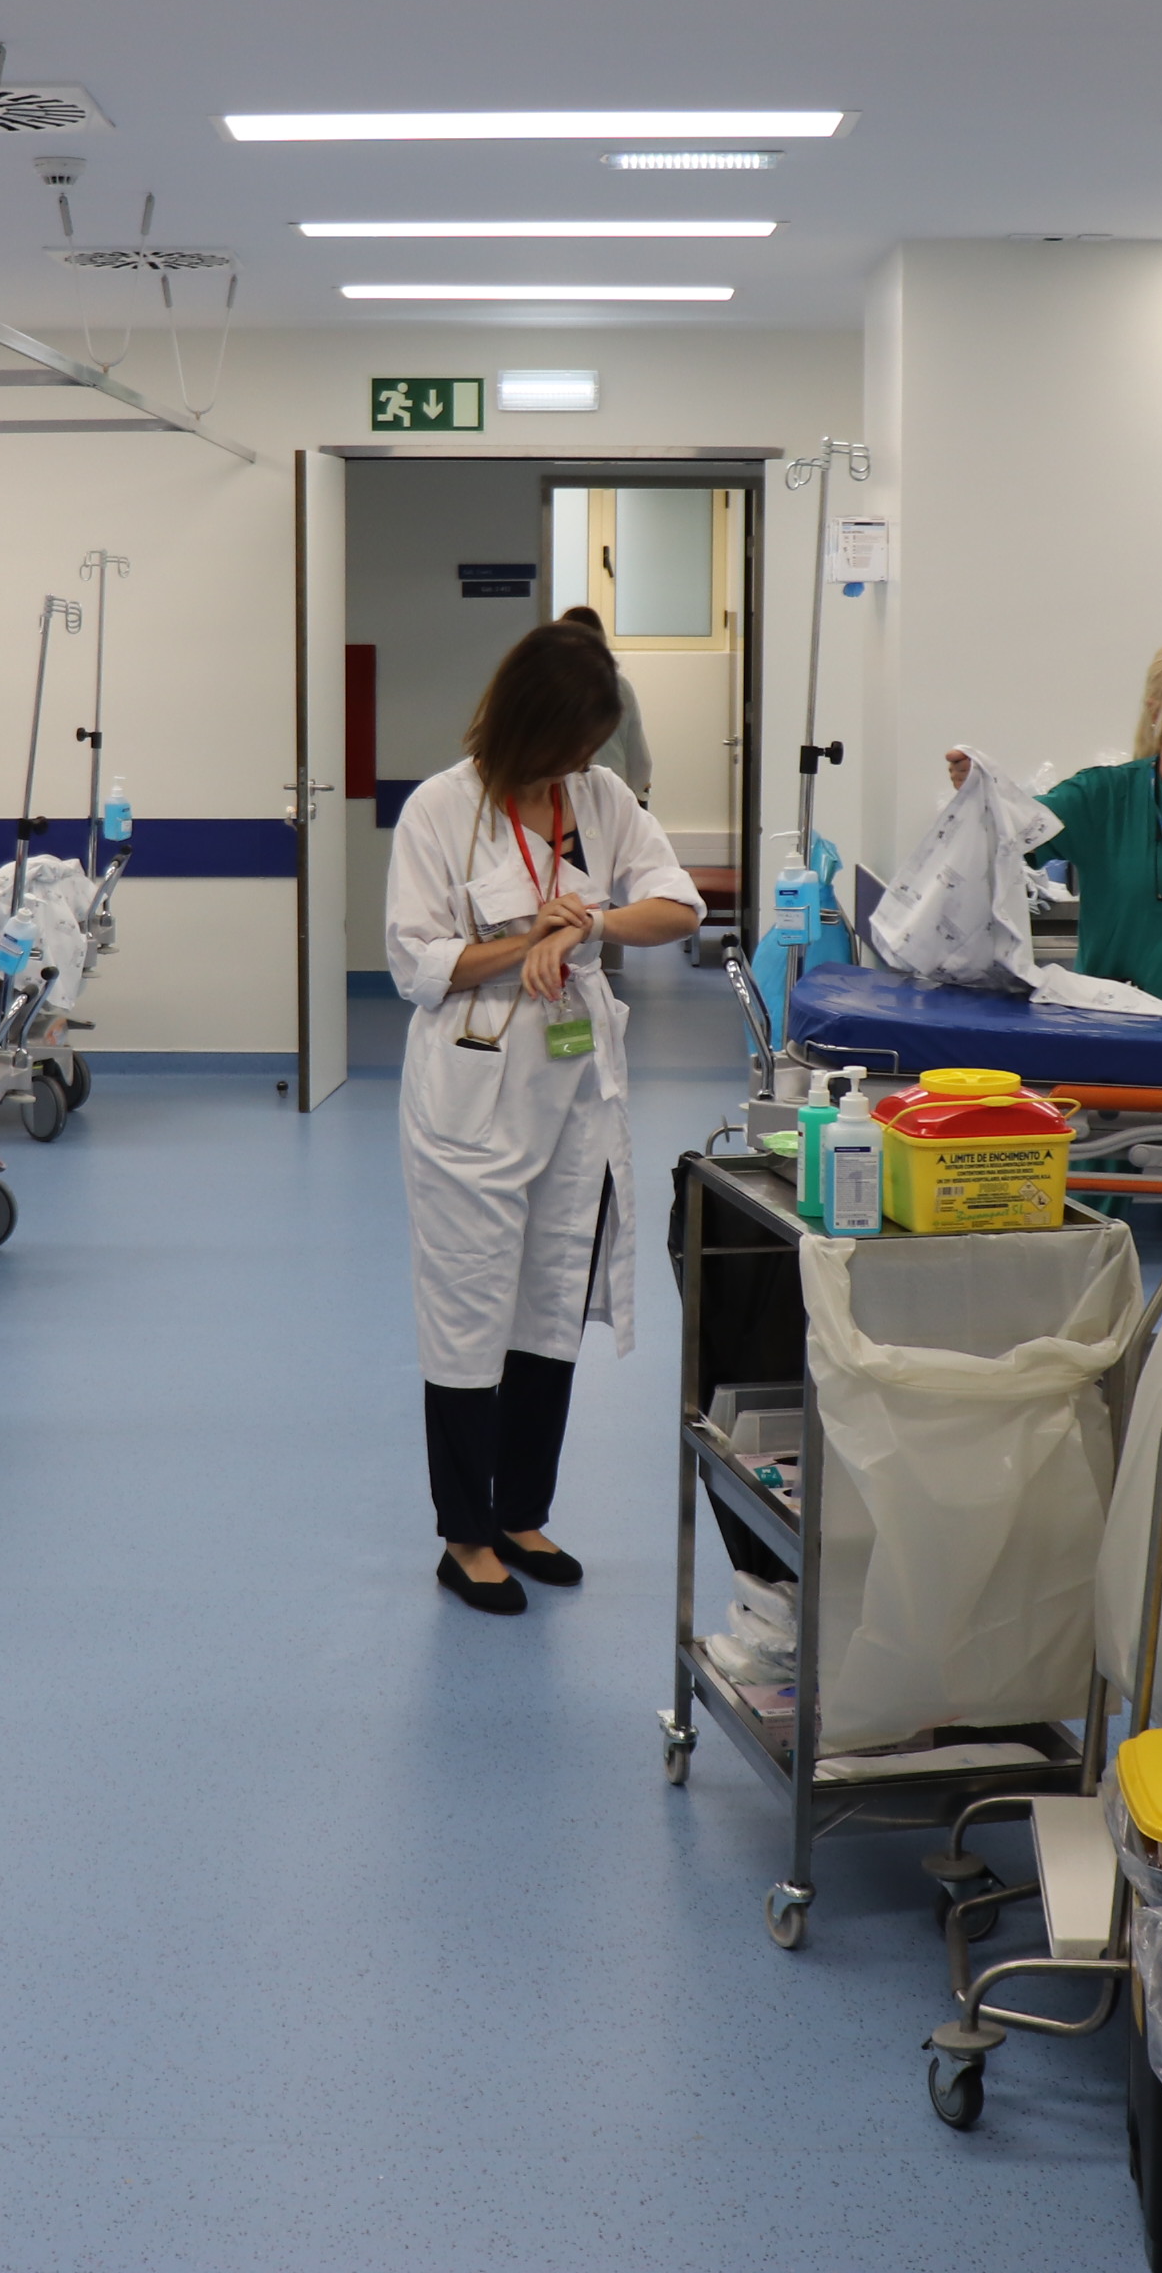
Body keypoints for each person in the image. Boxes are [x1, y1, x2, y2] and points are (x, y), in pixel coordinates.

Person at [389, 621, 705, 1613]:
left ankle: (523, 1514)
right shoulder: (441, 810)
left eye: (591, 746)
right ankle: (465, 1536)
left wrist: (589, 925)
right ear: (524, 723)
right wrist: (529, 937)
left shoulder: (600, 799)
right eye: (567, 743)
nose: (579, 761)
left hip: (574, 1092)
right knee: (469, 1310)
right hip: (473, 1092)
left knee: (551, 1300)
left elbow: (678, 906)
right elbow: (418, 963)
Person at [943, 639, 1162, 1003]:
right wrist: (981, 791)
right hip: (1125, 1015)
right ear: (1157, 712)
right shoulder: (1102, 798)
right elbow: (1012, 828)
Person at [555, 602, 653, 798]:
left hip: (564, 792)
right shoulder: (618, 685)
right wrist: (640, 794)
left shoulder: (552, 685)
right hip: (613, 789)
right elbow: (640, 757)